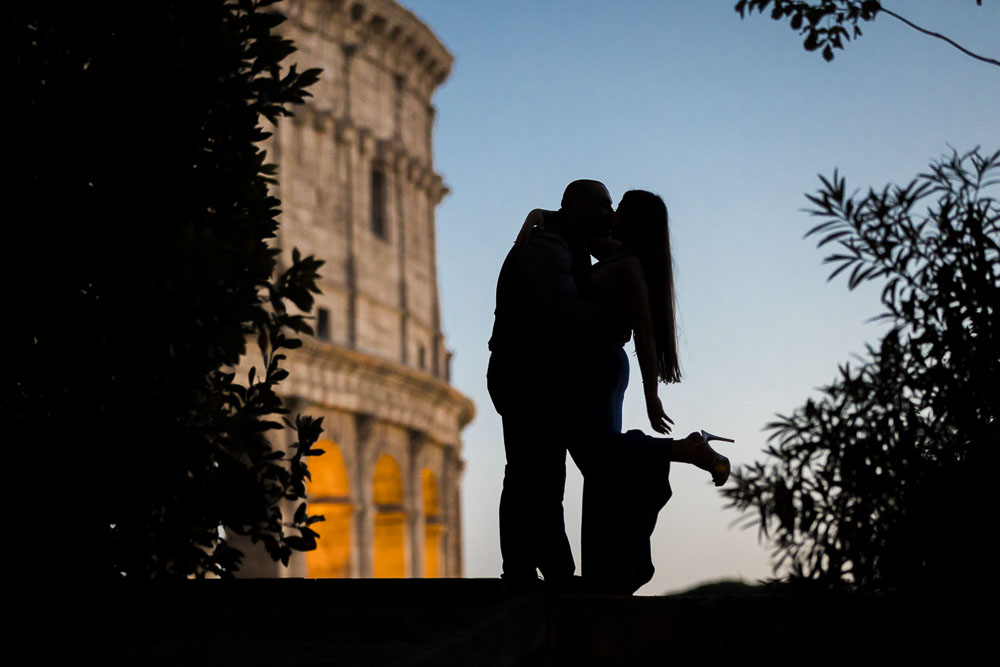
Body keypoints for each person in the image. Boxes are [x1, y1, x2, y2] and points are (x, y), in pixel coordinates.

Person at [516, 189, 732, 594]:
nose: (610, 213)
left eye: (618, 208)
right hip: (594, 367)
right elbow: (575, 227)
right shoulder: (613, 250)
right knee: (602, 465)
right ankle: (606, 572)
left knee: (602, 458)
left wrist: (652, 397)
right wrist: (541, 212)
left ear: (630, 221)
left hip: (598, 368)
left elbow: (645, 335)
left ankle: (684, 450)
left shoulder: (629, 264)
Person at [487, 179, 617, 585]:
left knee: (540, 471)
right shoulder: (547, 248)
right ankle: (535, 571)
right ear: (577, 208)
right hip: (526, 376)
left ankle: (541, 568)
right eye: (603, 204)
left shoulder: (561, 245)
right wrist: (616, 318)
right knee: (531, 471)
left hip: (535, 376)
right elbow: (569, 312)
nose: (609, 214)